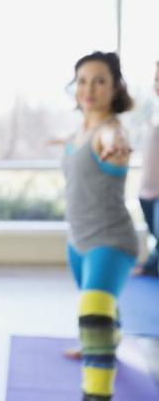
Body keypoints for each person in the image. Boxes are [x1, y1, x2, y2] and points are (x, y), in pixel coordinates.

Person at [62, 51, 137, 401]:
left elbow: (113, 142)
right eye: (82, 80)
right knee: (102, 309)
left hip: (110, 241)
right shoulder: (81, 131)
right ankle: (106, 339)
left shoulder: (111, 131)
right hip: (78, 241)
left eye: (99, 80)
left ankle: (96, 394)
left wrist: (115, 147)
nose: (89, 88)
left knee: (92, 316)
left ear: (115, 87)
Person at [135, 60, 159, 277]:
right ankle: (152, 266)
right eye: (156, 78)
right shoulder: (151, 111)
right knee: (154, 234)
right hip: (147, 187)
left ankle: (151, 266)